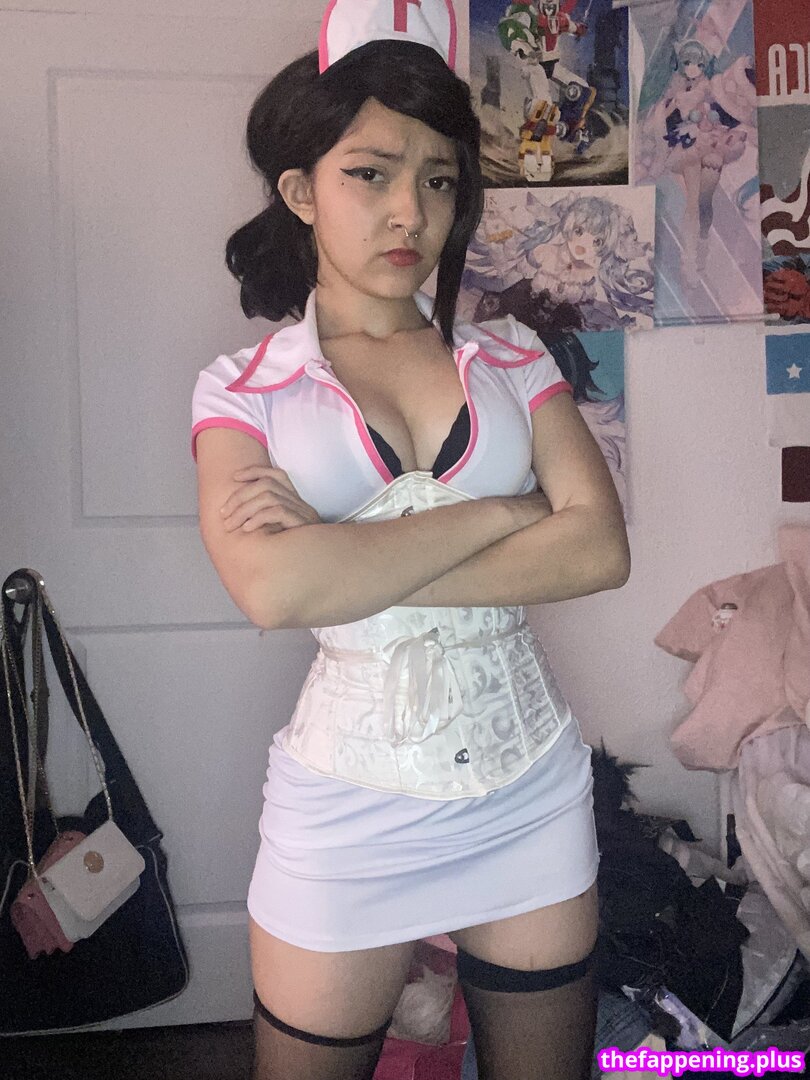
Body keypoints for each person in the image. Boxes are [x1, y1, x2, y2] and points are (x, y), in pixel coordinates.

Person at [191, 2, 630, 1077]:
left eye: (439, 179)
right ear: (301, 191)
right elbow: (274, 589)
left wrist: (346, 559)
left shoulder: (514, 358)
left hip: (528, 792)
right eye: (370, 174)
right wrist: (509, 511)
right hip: (346, 810)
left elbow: (599, 552)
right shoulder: (244, 390)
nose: (411, 212)